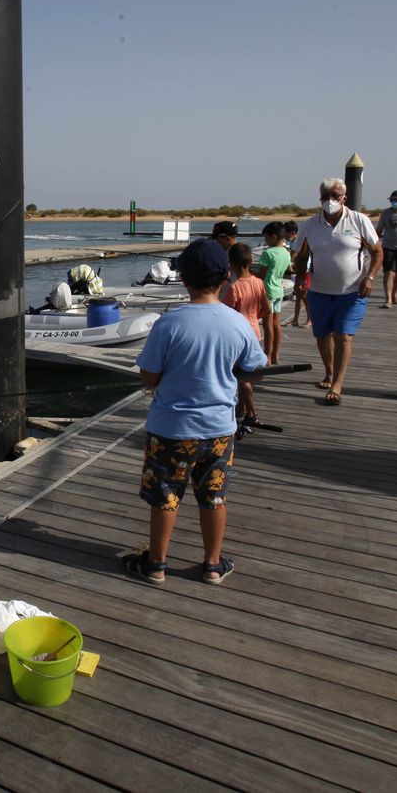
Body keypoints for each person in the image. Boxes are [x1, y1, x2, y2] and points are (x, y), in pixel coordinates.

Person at [124, 237, 267, 586]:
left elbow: (148, 376)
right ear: (225, 279)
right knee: (214, 498)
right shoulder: (237, 324)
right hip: (219, 430)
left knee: (165, 499)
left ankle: (156, 564)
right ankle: (213, 565)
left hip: (170, 431)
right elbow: (255, 368)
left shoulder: (168, 324)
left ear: (183, 279)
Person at [294, 177, 382, 406]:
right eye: (326, 197)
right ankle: (329, 371)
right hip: (319, 290)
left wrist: (370, 277)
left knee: (343, 336)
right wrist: (300, 281)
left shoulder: (359, 220)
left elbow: (378, 252)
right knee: (322, 335)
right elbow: (302, 256)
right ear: (319, 199)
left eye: (335, 196)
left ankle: (337, 383)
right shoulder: (311, 224)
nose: (330, 201)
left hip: (353, 291)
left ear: (345, 198)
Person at [219, 242, 269, 421]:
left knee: (241, 376)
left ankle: (252, 413)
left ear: (231, 264)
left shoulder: (234, 287)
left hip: (238, 334)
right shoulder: (258, 282)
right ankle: (240, 409)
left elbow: (225, 314)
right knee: (245, 371)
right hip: (254, 330)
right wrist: (255, 317)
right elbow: (267, 309)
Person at [255, 222, 291, 365]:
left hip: (268, 290)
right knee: (276, 324)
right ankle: (276, 354)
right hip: (279, 290)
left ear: (274, 237)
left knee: (267, 325)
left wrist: (247, 271)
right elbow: (288, 270)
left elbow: (261, 275)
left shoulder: (267, 253)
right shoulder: (286, 253)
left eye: (267, 238)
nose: (265, 241)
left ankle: (267, 356)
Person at [283, 220, 310, 328]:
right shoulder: (293, 241)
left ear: (293, 232)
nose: (285, 236)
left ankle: (309, 319)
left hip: (305, 271)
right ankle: (295, 319)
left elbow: (299, 256)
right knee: (299, 296)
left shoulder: (300, 240)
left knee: (305, 296)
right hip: (299, 270)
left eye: (286, 233)